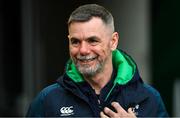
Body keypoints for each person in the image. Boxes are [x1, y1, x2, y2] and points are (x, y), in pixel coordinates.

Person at [26, 4, 168, 117]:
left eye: (92, 41)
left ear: (113, 41)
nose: (83, 50)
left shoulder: (149, 99)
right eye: (75, 42)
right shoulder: (48, 100)